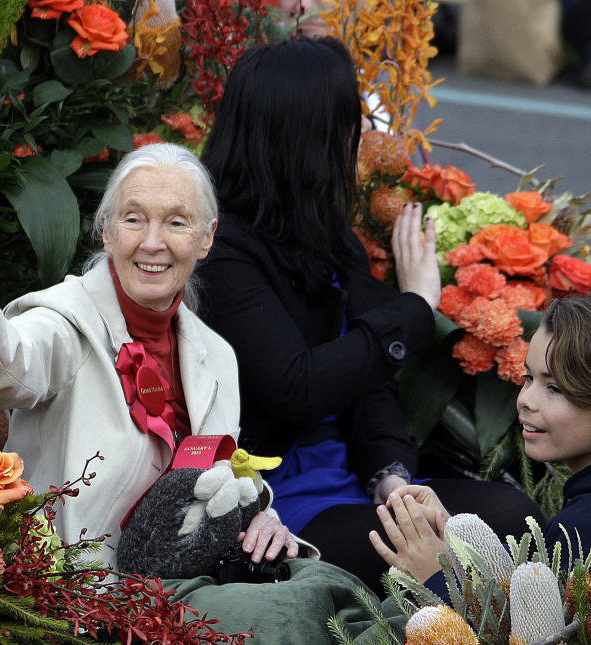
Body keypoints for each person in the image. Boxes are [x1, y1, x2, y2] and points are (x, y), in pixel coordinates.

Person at [197, 38, 544, 592]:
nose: (357, 143)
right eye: (347, 125)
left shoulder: (327, 235)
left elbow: (369, 386)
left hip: (356, 485)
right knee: (466, 549)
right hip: (279, 505)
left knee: (512, 518)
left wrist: (391, 477)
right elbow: (298, 386)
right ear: (308, 137)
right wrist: (415, 307)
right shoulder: (223, 249)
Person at [0, 142, 300, 571]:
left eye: (176, 222)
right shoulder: (65, 320)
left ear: (206, 238)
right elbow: (9, 366)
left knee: (320, 593)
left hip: (199, 577)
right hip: (87, 596)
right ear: (107, 229)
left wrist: (263, 518)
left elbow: (222, 473)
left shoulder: (217, 354)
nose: (152, 243)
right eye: (134, 219)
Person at [374, 295, 591, 579]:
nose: (525, 399)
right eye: (528, 378)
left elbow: (537, 622)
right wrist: (454, 532)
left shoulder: (580, 525)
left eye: (554, 388)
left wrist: (438, 578)